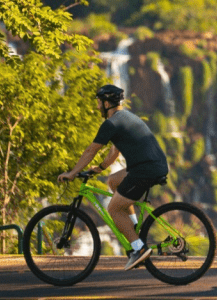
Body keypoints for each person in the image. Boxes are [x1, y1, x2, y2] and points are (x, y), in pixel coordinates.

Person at [58, 84, 169, 270]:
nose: (97, 106)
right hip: (151, 165)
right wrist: (100, 168)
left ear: (107, 103)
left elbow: (90, 150)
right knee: (113, 181)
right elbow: (115, 150)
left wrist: (72, 173)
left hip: (145, 169)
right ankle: (134, 227)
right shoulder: (126, 117)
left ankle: (138, 248)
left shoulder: (111, 123)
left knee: (114, 209)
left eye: (99, 102)